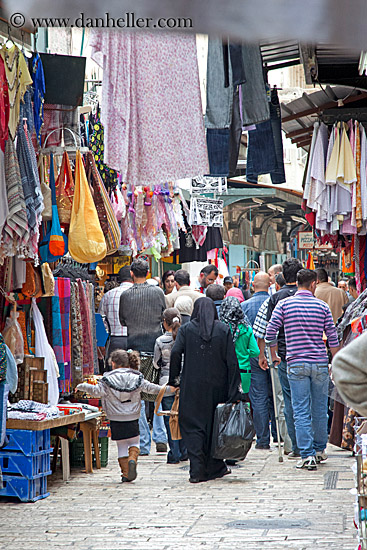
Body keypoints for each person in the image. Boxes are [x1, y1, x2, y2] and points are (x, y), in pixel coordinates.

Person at [265, 269, 339, 471]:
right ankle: (319, 449)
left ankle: (306, 455)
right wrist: (337, 361)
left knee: (300, 410)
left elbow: (270, 332)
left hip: (296, 364)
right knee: (319, 408)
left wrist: (273, 355)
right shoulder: (322, 306)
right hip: (319, 363)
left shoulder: (284, 305)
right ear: (314, 284)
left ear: (297, 283)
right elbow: (332, 338)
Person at [169, 298, 242, 483]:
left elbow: (176, 352)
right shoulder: (223, 329)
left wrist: (174, 378)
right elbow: (232, 362)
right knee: (214, 426)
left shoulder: (186, 329)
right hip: (218, 388)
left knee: (194, 426)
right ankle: (214, 466)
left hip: (192, 387)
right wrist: (234, 390)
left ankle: (197, 469)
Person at [76, 349, 172, 482]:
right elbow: (152, 388)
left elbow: (96, 392)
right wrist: (168, 389)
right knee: (135, 442)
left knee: (121, 445)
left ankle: (125, 473)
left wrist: (82, 386)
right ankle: (132, 458)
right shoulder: (137, 377)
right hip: (132, 416)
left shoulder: (106, 379)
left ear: (113, 363)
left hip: (115, 417)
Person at [119, 259, 168, 455]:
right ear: (147, 273)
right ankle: (161, 436)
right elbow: (164, 315)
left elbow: (123, 320)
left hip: (134, 350)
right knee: (156, 394)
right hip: (155, 348)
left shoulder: (126, 295)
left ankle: (144, 443)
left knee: (136, 396)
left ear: (132, 273)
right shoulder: (157, 292)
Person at [260, 257, 303, 458]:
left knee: (287, 400)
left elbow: (271, 330)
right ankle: (308, 445)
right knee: (305, 401)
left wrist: (272, 354)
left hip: (285, 355)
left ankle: (292, 445)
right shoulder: (308, 295)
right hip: (307, 354)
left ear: (283, 277)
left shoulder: (276, 298)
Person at [240, 272, 277, 450]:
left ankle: (263, 440)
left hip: (254, 356)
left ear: (253, 286)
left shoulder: (244, 306)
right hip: (274, 353)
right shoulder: (276, 303)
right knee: (277, 394)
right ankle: (279, 435)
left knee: (259, 397)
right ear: (270, 284)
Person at [153, 308, 188, 464]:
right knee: (183, 417)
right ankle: (184, 451)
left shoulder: (160, 341)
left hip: (166, 383)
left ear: (165, 323)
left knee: (169, 418)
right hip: (184, 382)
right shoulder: (185, 337)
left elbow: (155, 363)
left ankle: (174, 453)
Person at [219, 296, 259, 394]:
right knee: (243, 400)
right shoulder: (247, 328)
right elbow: (256, 352)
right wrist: (244, 352)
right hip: (244, 370)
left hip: (225, 370)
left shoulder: (221, 329)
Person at [98, 265, 133, 362]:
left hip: (114, 339)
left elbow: (101, 320)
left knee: (114, 372)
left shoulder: (108, 295)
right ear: (133, 275)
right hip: (134, 340)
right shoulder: (138, 293)